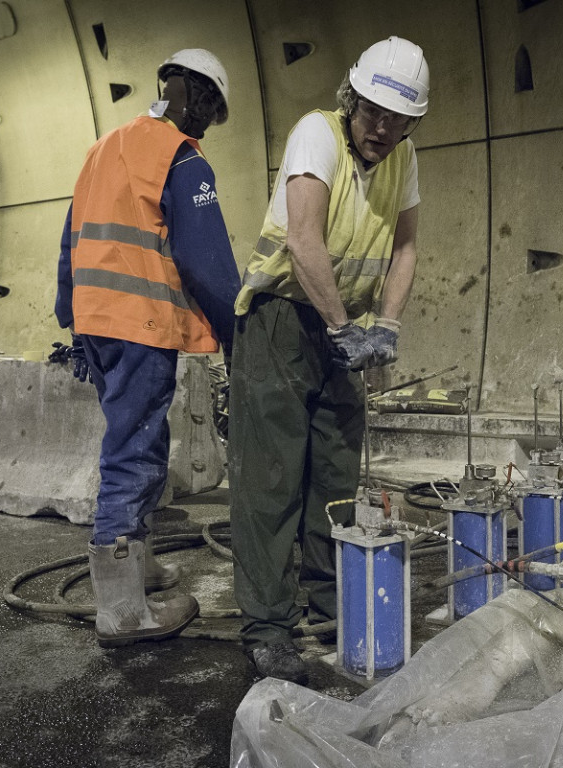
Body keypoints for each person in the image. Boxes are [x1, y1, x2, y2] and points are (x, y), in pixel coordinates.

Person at [227, 36, 430, 682]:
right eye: (374, 112)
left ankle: (328, 598)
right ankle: (267, 624)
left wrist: (388, 326)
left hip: (346, 325)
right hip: (283, 320)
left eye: (399, 120)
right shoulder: (316, 136)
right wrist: (343, 327)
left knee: (337, 471)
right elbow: (304, 237)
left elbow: (405, 250)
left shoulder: (404, 159)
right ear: (353, 99)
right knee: (272, 476)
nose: (383, 128)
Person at [54, 48, 241, 648]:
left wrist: (72, 315)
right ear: (196, 93)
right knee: (133, 452)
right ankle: (122, 611)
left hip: (97, 320)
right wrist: (238, 331)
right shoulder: (181, 159)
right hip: (138, 323)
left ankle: (138, 563)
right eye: (210, 109)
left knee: (140, 438)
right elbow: (206, 262)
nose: (208, 124)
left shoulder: (103, 149)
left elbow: (71, 240)